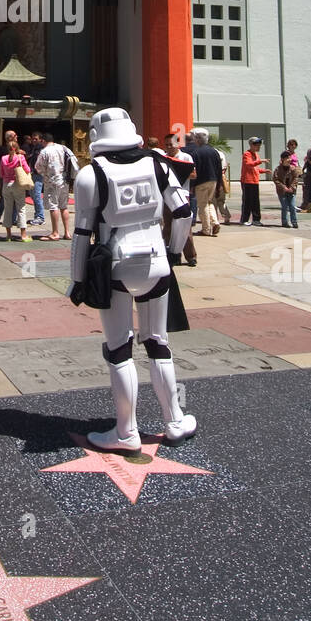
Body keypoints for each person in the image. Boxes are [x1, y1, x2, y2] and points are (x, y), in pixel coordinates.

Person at [69, 107, 196, 451]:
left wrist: (77, 279)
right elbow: (183, 213)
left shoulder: (90, 175)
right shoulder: (159, 165)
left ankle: (126, 432)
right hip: (157, 262)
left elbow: (82, 233)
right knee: (158, 342)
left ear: (96, 136)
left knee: (119, 350)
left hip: (116, 265)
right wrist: (173, 252)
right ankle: (174, 420)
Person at [34, 132, 77, 241]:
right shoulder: (63, 148)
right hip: (64, 180)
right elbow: (73, 160)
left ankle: (55, 232)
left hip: (52, 181)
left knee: (53, 206)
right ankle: (67, 232)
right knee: (64, 206)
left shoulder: (45, 151)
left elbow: (38, 167)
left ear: (43, 141)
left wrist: (44, 173)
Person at [164, 137, 197, 265]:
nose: (169, 147)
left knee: (185, 227)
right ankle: (172, 255)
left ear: (177, 144)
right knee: (168, 226)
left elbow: (194, 174)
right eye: (166, 145)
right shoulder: (163, 158)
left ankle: (191, 256)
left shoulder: (186, 157)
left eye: (171, 144)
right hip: (167, 195)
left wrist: (177, 172)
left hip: (182, 194)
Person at [190, 129, 223, 236]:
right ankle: (215, 222)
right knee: (209, 202)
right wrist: (219, 185)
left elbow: (195, 170)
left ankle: (206, 229)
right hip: (213, 180)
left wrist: (192, 185)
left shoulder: (196, 153)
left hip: (201, 182)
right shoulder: (214, 151)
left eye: (194, 137)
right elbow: (219, 169)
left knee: (202, 205)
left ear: (197, 139)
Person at [0, 138, 32, 244]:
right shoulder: (20, 157)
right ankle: (23, 235)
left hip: (6, 185)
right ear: (17, 148)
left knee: (8, 209)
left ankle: (8, 235)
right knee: (21, 208)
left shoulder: (3, 158)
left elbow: (1, 173)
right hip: (18, 184)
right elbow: (27, 169)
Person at [239, 137, 269, 224]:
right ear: (251, 145)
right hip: (247, 181)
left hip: (255, 180)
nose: (259, 147)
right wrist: (260, 161)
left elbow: (255, 168)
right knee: (247, 201)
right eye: (257, 145)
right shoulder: (247, 154)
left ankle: (256, 219)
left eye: (259, 145)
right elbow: (248, 164)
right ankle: (244, 219)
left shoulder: (256, 154)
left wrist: (263, 171)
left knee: (255, 201)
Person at [0, 133, 19, 229]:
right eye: (15, 135)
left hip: (15, 178)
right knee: (3, 198)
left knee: (16, 199)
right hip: (6, 177)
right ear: (9, 137)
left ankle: (13, 219)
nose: (17, 137)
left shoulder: (18, 150)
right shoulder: (2, 149)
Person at [273, 150, 299, 228]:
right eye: (287, 158)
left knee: (292, 206)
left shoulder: (293, 168)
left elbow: (296, 178)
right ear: (283, 159)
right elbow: (275, 179)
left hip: (291, 191)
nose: (289, 159)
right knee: (284, 206)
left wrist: (292, 187)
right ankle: (284, 222)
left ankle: (294, 222)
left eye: (290, 157)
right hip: (282, 192)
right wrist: (283, 187)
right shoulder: (278, 169)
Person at [26, 131, 46, 226]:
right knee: (33, 195)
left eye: (36, 139)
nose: (34, 140)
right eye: (33, 138)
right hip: (33, 173)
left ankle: (40, 217)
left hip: (38, 174)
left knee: (37, 195)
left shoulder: (41, 149)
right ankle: (37, 215)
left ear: (41, 140)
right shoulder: (33, 148)